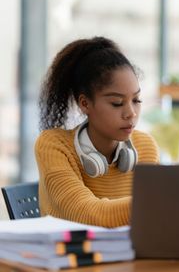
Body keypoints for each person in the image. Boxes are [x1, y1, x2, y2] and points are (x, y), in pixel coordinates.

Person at [35, 36, 159, 228]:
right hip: (71, 255)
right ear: (85, 103)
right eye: (117, 103)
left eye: (136, 100)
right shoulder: (54, 146)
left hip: (130, 255)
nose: (131, 113)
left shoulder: (145, 146)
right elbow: (90, 215)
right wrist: (163, 202)